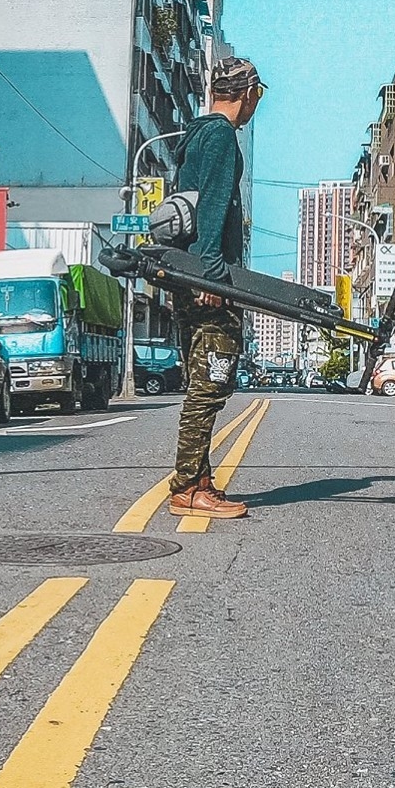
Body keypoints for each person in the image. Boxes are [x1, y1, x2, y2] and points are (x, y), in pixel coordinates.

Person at [167, 56, 263, 520]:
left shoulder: (195, 134)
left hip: (186, 273)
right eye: (256, 96)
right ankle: (187, 487)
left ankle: (199, 480)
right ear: (250, 94)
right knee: (211, 381)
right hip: (207, 275)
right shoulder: (222, 137)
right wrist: (212, 274)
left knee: (201, 377)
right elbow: (212, 206)